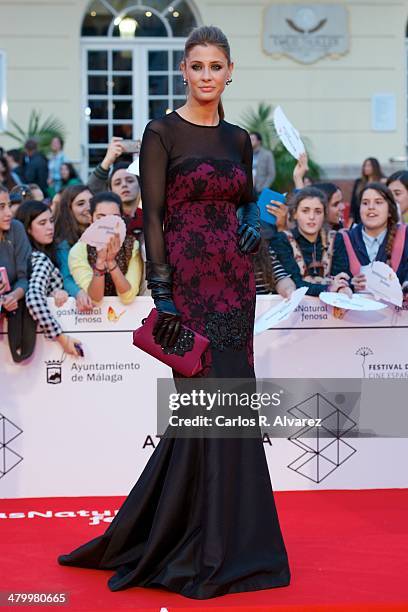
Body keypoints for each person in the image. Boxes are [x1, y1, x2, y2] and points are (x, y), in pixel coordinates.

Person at [58, 25, 291, 599]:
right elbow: (154, 218)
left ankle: (236, 542)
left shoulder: (241, 140)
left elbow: (242, 207)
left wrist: (250, 229)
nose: (207, 75)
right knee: (200, 405)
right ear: (183, 71)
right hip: (186, 284)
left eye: (216, 66)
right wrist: (162, 294)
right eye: (197, 66)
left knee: (229, 407)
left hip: (235, 283)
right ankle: (192, 542)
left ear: (230, 71)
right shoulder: (160, 133)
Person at [15, 200, 83, 356]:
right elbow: (33, 299)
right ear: (28, 229)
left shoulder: (27, 255)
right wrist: (61, 337)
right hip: (46, 345)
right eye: (42, 223)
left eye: (51, 221)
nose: (50, 227)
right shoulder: (40, 259)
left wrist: (55, 292)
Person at [271, 187, 352, 296]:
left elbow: (343, 276)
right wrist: (329, 288)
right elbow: (294, 283)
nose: (312, 217)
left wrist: (343, 286)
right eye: (305, 211)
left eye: (318, 211)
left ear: (324, 215)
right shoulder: (282, 240)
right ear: (295, 213)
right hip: (298, 310)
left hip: (330, 310)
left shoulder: (336, 239)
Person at [68, 192, 142, 304]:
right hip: (93, 318)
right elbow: (95, 299)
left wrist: (111, 262)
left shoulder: (132, 246)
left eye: (114, 218)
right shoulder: (79, 250)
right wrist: (100, 263)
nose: (108, 224)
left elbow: (128, 296)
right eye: (101, 218)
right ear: (91, 219)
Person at [338, 183, 408, 294]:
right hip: (355, 309)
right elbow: (337, 278)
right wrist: (351, 284)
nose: (371, 207)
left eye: (378, 202)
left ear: (390, 210)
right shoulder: (344, 239)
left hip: (398, 309)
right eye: (365, 203)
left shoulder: (404, 235)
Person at [0, 186, 36, 362]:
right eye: (1, 207)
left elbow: (24, 278)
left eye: (8, 205)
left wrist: (13, 296)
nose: (8, 213)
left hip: (14, 314)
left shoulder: (16, 229)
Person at [54, 185, 93, 311]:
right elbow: (66, 277)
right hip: (82, 306)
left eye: (91, 202)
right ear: (69, 209)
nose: (88, 207)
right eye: (81, 204)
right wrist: (78, 293)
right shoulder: (64, 243)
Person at [350, 157, 385, 225]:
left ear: (375, 167)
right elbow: (353, 203)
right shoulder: (359, 182)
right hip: (359, 216)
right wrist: (351, 218)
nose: (366, 168)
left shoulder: (382, 181)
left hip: (375, 215)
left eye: (368, 165)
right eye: (364, 166)